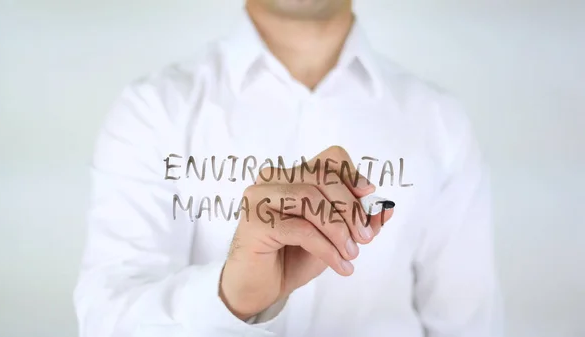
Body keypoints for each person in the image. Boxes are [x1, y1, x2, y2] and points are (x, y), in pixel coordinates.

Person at [73, 0, 503, 336]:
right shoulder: (154, 110)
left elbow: (468, 325)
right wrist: (231, 297)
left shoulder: (440, 124)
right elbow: (107, 320)